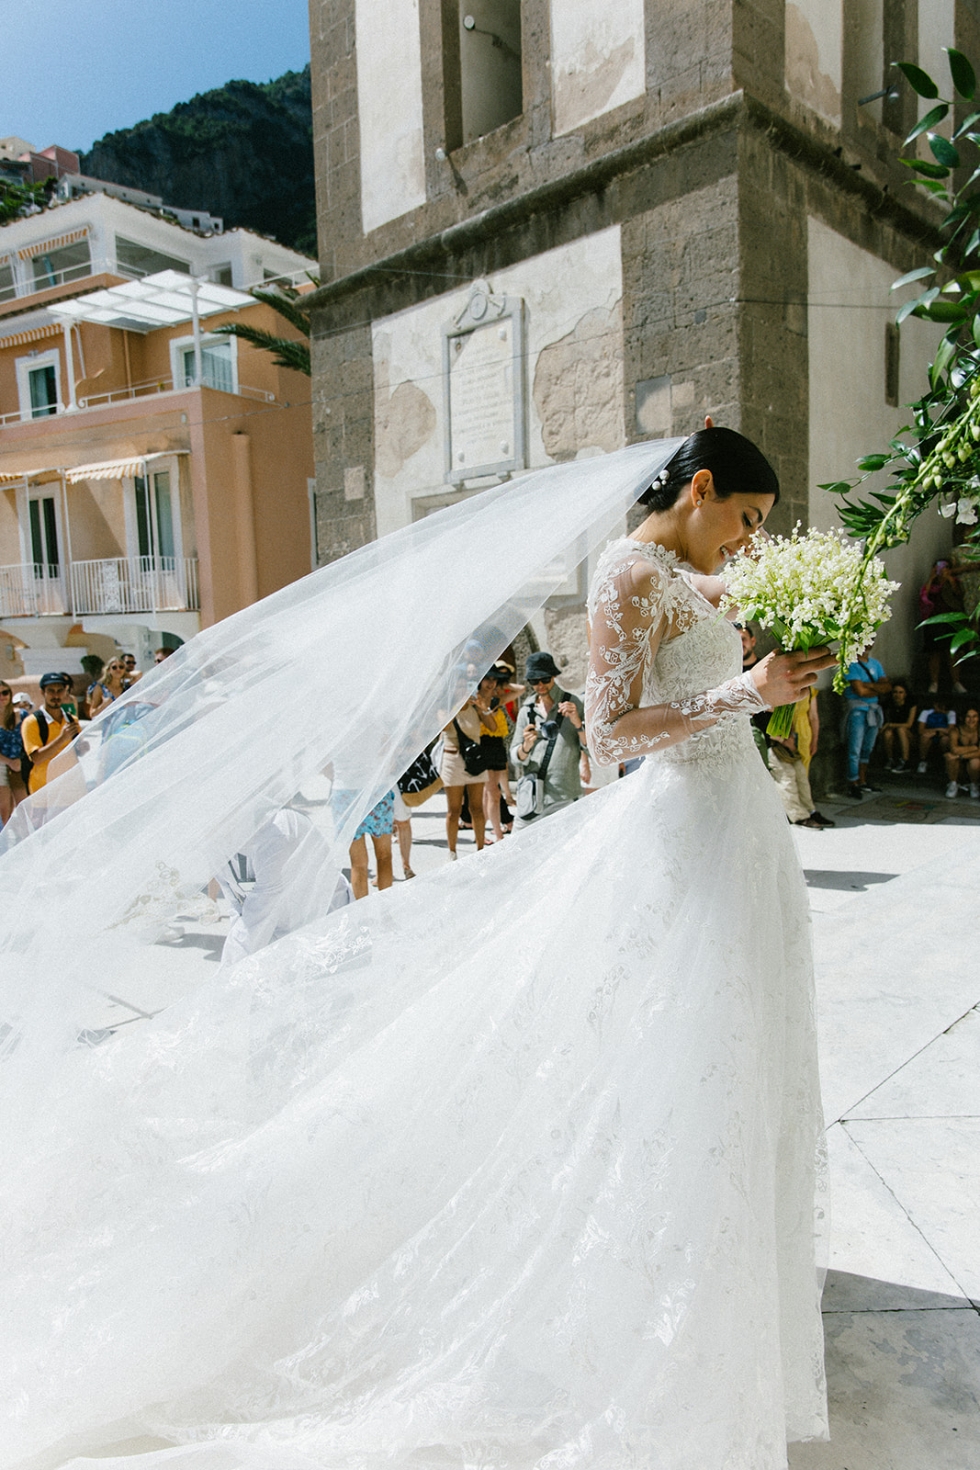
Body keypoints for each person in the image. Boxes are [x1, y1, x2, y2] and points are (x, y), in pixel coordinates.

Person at [0, 431, 833, 1468]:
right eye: (743, 518)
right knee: (660, 1051)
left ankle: (718, 1278)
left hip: (737, 821)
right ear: (698, 488)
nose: (748, 540)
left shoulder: (703, 577)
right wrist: (741, 694)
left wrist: (779, 674)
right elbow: (611, 735)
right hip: (676, 829)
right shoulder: (627, 571)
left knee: (733, 1049)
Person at [510, 651, 589, 826]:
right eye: (534, 681)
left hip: (564, 795)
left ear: (553, 676)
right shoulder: (527, 710)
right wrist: (526, 746)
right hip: (531, 796)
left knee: (565, 851)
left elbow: (590, 749)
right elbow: (515, 756)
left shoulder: (573, 704)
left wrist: (577, 723)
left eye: (545, 679)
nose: (540, 685)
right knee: (519, 848)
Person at [767, 687, 834, 828]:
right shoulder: (773, 693)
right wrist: (783, 740)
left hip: (790, 741)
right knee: (787, 779)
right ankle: (798, 816)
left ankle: (810, 810)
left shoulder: (806, 691)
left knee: (802, 776)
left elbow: (813, 716)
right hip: (775, 744)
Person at [438, 692, 495, 857]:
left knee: (476, 808)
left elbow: (492, 727)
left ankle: (480, 849)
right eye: (459, 689)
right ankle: (452, 852)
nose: (463, 693)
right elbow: (445, 727)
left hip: (474, 760)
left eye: (466, 688)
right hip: (453, 760)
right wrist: (455, 706)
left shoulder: (475, 708)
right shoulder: (445, 709)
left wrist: (483, 708)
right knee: (453, 810)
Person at [20, 672, 80, 794]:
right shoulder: (32, 722)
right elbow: (36, 758)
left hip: (72, 789)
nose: (56, 695)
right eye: (51, 691)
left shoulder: (72, 720)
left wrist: (81, 747)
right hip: (44, 791)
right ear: (42, 692)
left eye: (60, 691)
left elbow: (76, 749)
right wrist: (62, 738)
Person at [843, 653, 891, 799]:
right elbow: (860, 691)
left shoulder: (875, 663)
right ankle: (853, 782)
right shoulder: (851, 664)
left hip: (873, 709)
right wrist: (877, 687)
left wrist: (869, 685)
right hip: (858, 710)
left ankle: (863, 780)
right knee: (854, 749)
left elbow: (887, 687)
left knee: (867, 748)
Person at [918, 560, 967, 694]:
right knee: (935, 652)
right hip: (934, 621)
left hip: (951, 620)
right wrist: (931, 578)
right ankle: (934, 682)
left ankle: (956, 682)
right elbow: (924, 596)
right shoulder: (931, 584)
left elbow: (959, 595)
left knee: (953, 652)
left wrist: (949, 580)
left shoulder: (955, 582)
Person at [476, 667, 512, 842]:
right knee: (493, 793)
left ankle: (481, 833)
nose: (491, 683)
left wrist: (502, 684)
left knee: (488, 794)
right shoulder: (476, 700)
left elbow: (518, 690)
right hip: (484, 746)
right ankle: (497, 833)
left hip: (497, 747)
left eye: (494, 679)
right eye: (487, 679)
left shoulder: (497, 699)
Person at [0, 681, 27, 825]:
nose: (2, 697)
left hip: (19, 762)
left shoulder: (21, 715)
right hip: (2, 763)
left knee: (24, 806)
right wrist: (9, 762)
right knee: (5, 810)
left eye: (5, 692)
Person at [880, 678, 917, 772]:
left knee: (901, 729)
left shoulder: (911, 705)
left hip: (909, 734)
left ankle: (905, 761)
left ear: (905, 694)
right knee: (887, 733)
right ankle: (890, 759)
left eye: (901, 692)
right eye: (895, 692)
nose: (898, 695)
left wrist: (890, 724)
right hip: (893, 733)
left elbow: (909, 724)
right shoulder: (888, 704)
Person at [944, 705, 980, 798]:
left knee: (975, 762)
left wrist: (959, 756)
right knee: (949, 757)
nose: (971, 719)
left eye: (974, 716)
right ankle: (953, 784)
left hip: (972, 764)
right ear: (963, 718)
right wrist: (974, 747)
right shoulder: (955, 731)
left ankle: (974, 785)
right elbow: (954, 749)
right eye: (968, 716)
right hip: (958, 766)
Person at [916, 699, 956, 773]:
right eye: (937, 704)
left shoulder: (951, 713)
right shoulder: (926, 712)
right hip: (930, 735)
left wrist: (936, 731)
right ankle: (923, 761)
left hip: (942, 736)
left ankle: (946, 762)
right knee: (925, 737)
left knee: (945, 740)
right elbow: (921, 730)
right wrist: (940, 730)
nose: (938, 707)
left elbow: (950, 730)